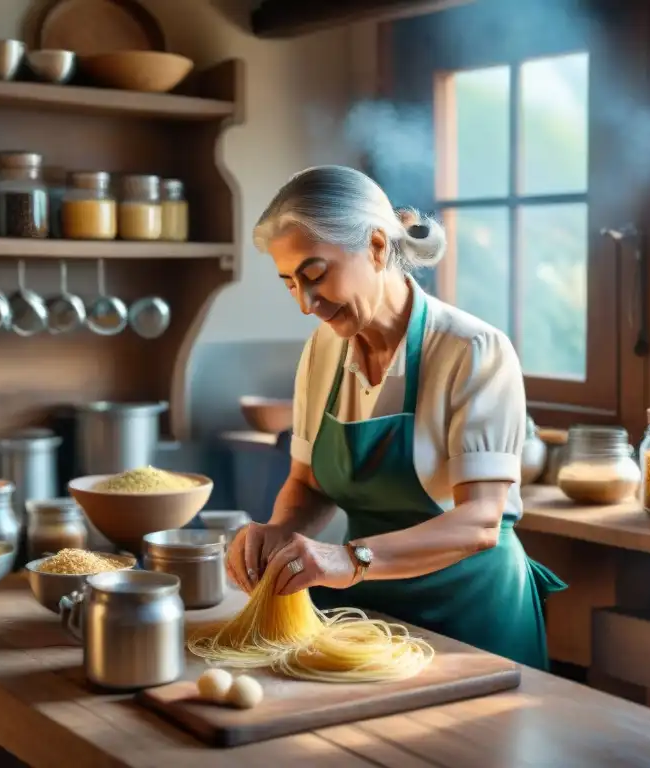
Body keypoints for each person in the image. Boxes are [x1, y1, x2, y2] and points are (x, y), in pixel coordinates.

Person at [226, 165, 566, 669]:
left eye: (315, 275)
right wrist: (279, 532)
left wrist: (349, 559)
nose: (306, 304)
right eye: (290, 284)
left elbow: (479, 522)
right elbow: (309, 483)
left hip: (473, 622)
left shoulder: (472, 351)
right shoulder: (324, 349)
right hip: (370, 620)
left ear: (378, 247)